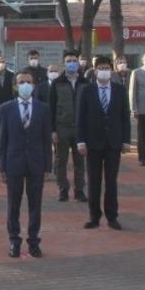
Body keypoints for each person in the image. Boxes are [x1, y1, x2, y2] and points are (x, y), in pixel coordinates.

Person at [0, 71, 52, 258]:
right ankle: (14, 241)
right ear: (15, 86)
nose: (25, 85)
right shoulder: (6, 108)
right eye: (21, 82)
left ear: (34, 85)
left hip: (37, 163)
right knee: (13, 204)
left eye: (28, 82)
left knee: (35, 205)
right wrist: (1, 166)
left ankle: (34, 241)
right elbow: (2, 140)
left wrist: (48, 167)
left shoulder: (43, 109)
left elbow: (46, 141)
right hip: (14, 163)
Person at [77, 55, 130, 230]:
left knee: (111, 181)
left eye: (107, 68)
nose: (104, 71)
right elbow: (81, 118)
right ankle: (94, 216)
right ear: (95, 70)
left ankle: (112, 216)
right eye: (101, 68)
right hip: (92, 142)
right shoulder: (86, 90)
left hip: (113, 142)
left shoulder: (120, 90)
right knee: (93, 181)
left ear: (112, 70)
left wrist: (126, 141)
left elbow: (124, 117)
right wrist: (81, 141)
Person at [51, 52, 86, 203]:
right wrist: (52, 130)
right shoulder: (57, 82)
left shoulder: (84, 82)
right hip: (62, 127)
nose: (71, 63)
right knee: (61, 160)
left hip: (80, 128)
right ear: (63, 64)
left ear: (78, 63)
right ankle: (63, 189)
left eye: (74, 60)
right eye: (68, 61)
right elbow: (51, 108)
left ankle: (79, 190)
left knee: (80, 161)